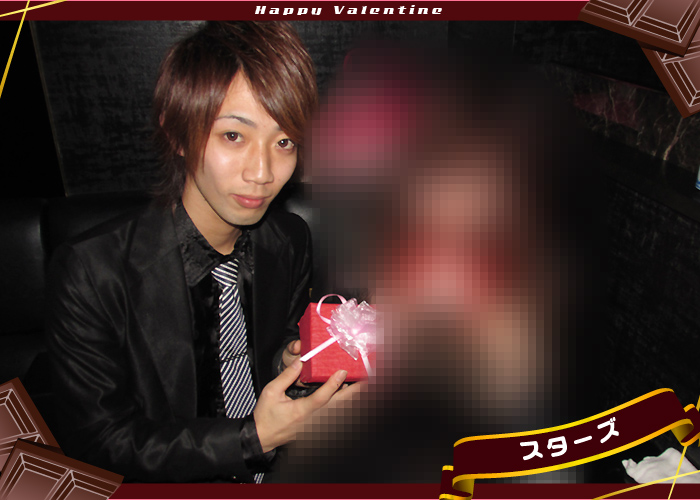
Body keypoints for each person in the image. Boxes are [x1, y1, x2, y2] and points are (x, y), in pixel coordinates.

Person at [45, 21, 356, 483]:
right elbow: (99, 443)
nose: (262, 172)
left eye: (284, 141)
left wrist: (291, 361)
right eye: (233, 136)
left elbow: (275, 345)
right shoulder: (92, 271)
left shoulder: (289, 238)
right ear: (177, 132)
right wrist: (253, 438)